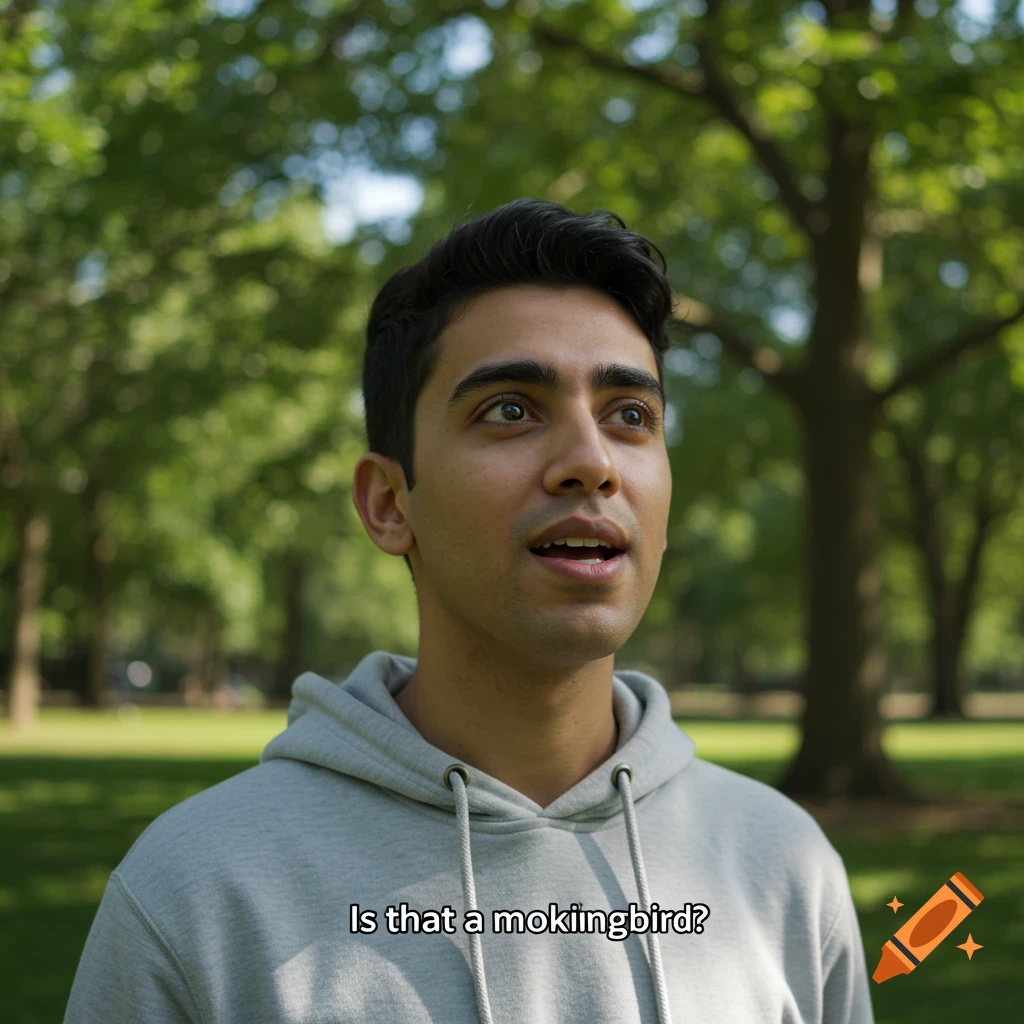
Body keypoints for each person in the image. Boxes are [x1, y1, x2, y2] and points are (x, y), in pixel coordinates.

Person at [64, 198, 874, 1023]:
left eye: (630, 416)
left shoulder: (784, 869)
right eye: (511, 409)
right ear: (388, 503)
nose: (591, 463)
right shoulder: (197, 894)